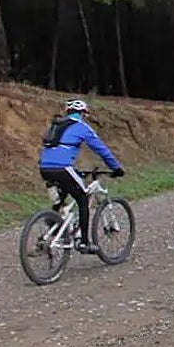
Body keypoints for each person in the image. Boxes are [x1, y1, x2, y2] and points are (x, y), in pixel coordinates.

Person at [38, 98, 125, 254]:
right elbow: (101, 149)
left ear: (67, 112)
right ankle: (84, 242)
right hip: (63, 168)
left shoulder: (55, 125)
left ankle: (54, 220)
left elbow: (56, 151)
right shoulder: (82, 127)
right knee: (82, 199)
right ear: (83, 113)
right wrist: (116, 167)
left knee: (64, 193)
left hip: (45, 167)